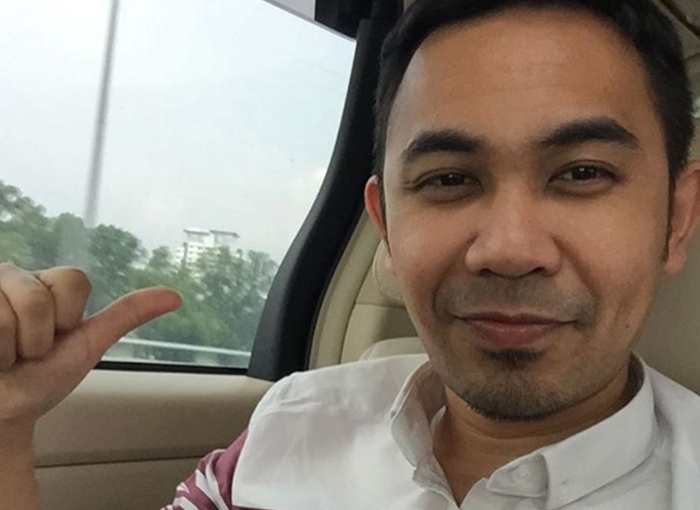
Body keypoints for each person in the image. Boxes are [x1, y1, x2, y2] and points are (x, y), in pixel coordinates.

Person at [1, 0, 699, 508]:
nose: (510, 250)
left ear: (676, 218)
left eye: (582, 173)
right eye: (448, 180)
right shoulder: (288, 427)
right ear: (386, 228)